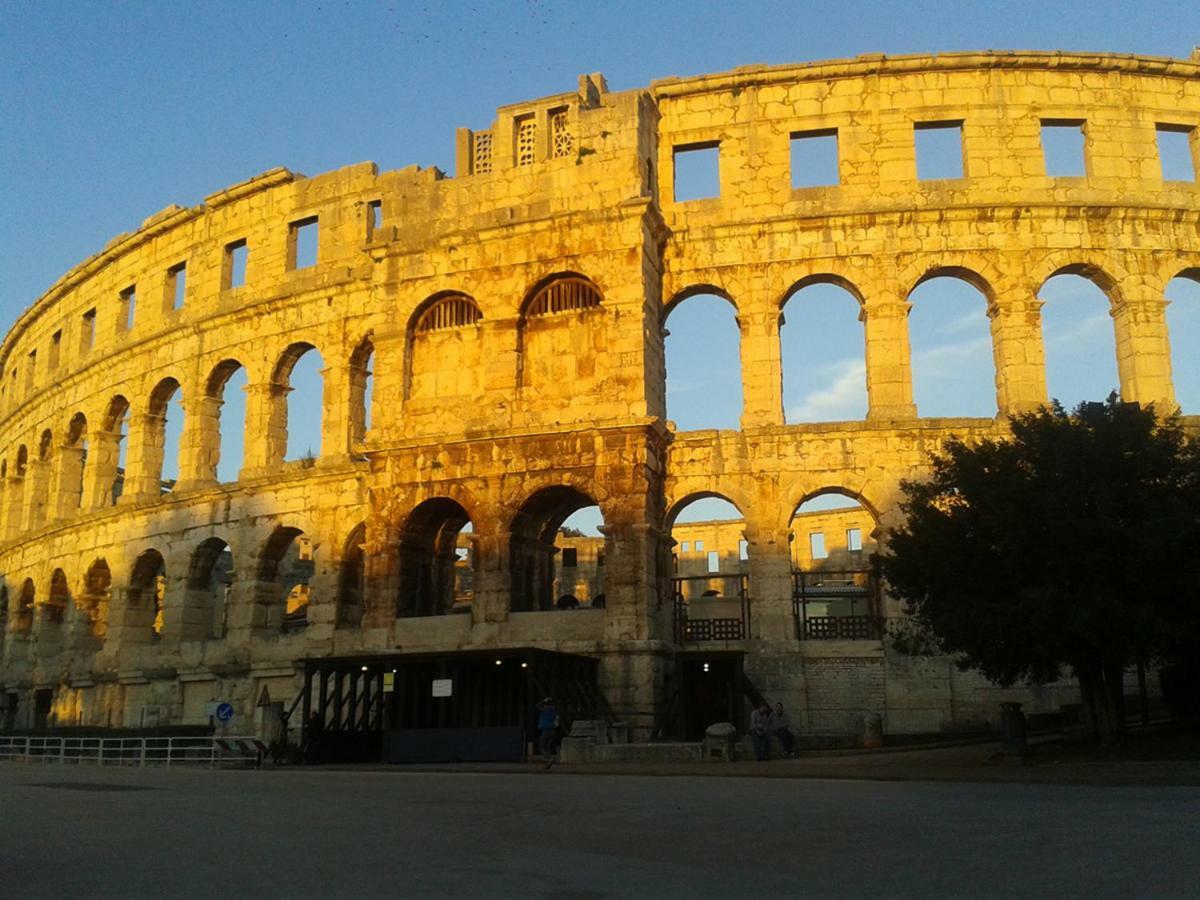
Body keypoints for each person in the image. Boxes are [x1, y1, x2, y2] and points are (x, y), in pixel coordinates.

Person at [536, 697, 559, 768]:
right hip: (552, 730)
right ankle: (547, 764)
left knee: (541, 746)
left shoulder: (544, 710)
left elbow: (536, 706)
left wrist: (543, 701)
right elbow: (557, 719)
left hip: (545, 730)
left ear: (545, 704)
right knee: (547, 747)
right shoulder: (554, 710)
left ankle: (549, 758)